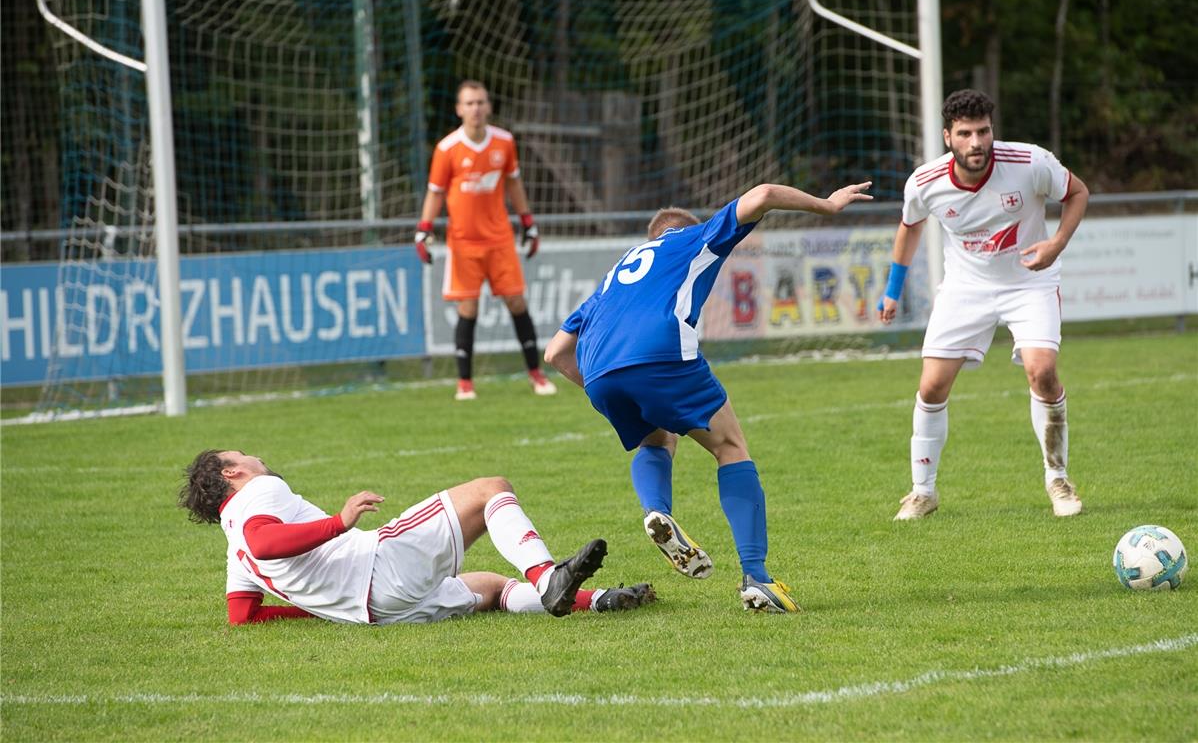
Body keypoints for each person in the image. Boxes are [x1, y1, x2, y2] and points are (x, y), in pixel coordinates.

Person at [544, 180, 874, 613]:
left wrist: (607, 388)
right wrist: (827, 206)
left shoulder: (615, 275)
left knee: (656, 438)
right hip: (659, 351)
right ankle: (757, 576)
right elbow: (764, 194)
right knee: (730, 446)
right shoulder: (694, 237)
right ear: (681, 230)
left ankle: (655, 510)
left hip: (600, 368)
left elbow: (555, 352)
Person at [877, 89, 1090, 520]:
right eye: (966, 133)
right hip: (965, 288)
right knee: (932, 386)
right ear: (948, 137)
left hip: (1030, 282)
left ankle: (1058, 479)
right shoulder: (925, 182)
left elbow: (1078, 193)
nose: (977, 142)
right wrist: (892, 289)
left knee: (1042, 372)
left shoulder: (1029, 162)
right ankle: (923, 492)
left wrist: (1055, 244)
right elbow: (909, 228)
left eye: (984, 131)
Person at [178, 449, 655, 625]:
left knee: (487, 587)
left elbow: (241, 615)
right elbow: (267, 541)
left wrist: (313, 608)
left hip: (380, 613)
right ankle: (548, 577)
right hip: (379, 564)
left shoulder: (232, 547)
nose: (261, 459)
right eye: (248, 456)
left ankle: (598, 600)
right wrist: (339, 522)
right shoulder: (260, 489)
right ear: (233, 471)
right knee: (492, 490)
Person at [415, 80, 557, 401]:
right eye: (469, 103)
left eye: (480, 102)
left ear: (489, 106)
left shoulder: (504, 143)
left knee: (517, 302)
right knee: (468, 307)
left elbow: (514, 185)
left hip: (499, 240)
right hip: (463, 242)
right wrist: (423, 228)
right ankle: (465, 383)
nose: (475, 109)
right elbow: (435, 192)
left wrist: (528, 222)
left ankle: (537, 375)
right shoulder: (446, 149)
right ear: (459, 109)